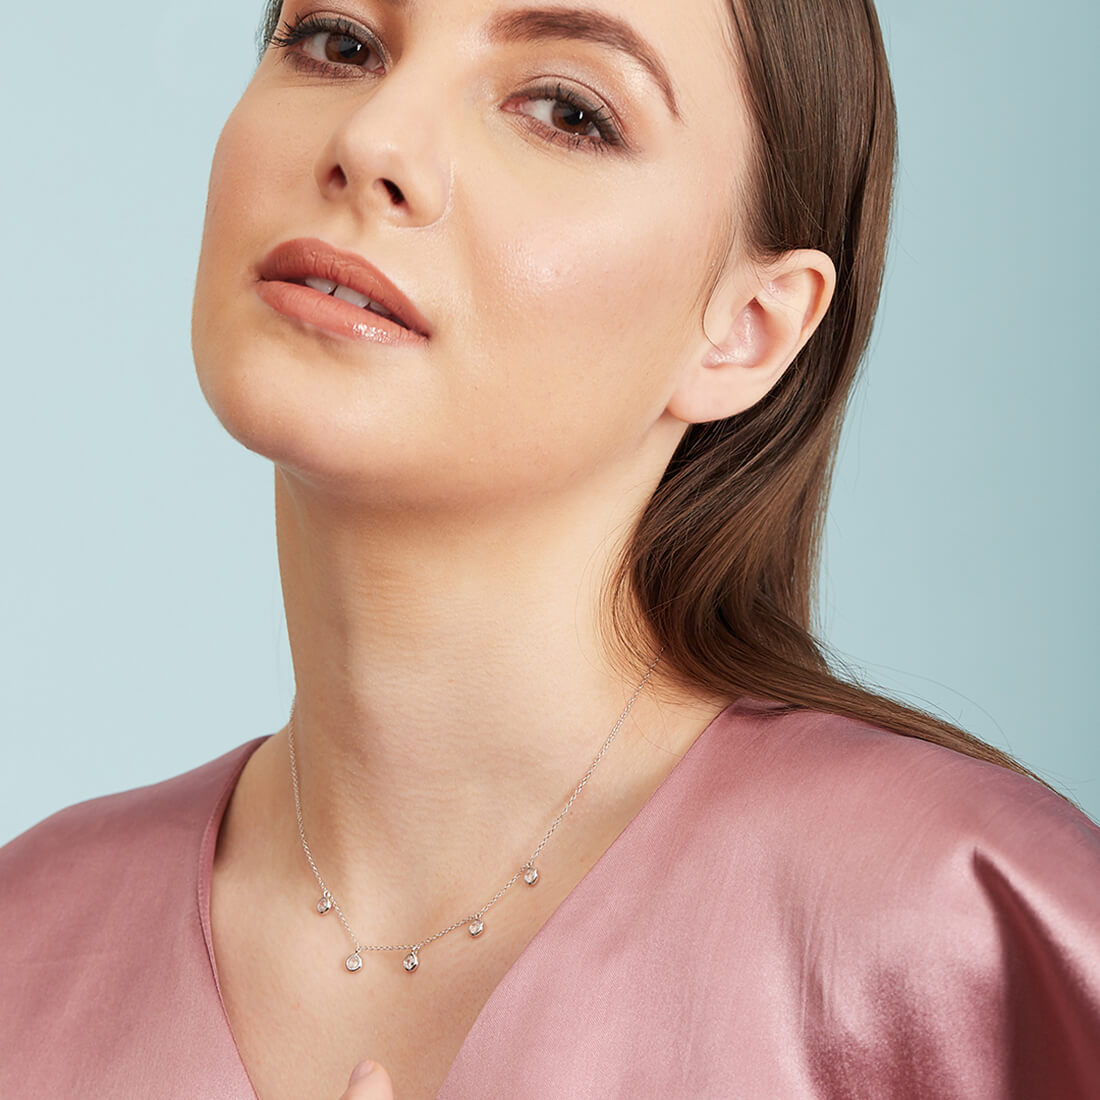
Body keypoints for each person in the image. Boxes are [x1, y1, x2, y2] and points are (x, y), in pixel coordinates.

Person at [2, 0, 1098, 1097]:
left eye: (566, 110)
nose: (373, 140)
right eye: (338, 42)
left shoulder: (964, 932)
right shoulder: (28, 940)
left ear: (748, 327)